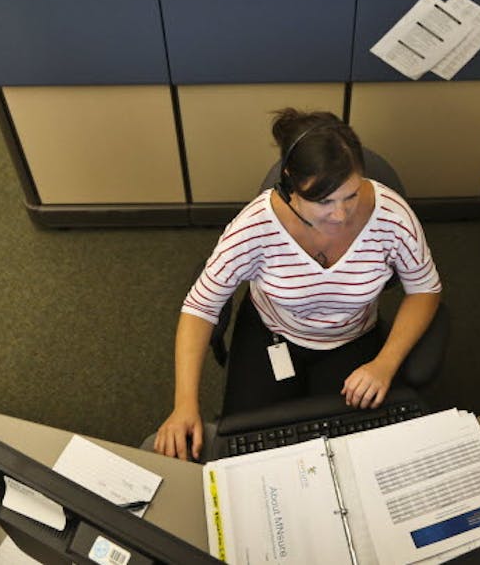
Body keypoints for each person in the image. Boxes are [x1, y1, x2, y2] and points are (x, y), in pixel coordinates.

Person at [154, 109, 442, 461]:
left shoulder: (393, 216)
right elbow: (200, 308)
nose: (340, 216)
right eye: (323, 202)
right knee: (247, 450)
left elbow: (425, 290)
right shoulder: (255, 227)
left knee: (360, 452)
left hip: (353, 336)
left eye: (350, 196)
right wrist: (184, 404)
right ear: (290, 182)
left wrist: (385, 363)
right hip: (272, 333)